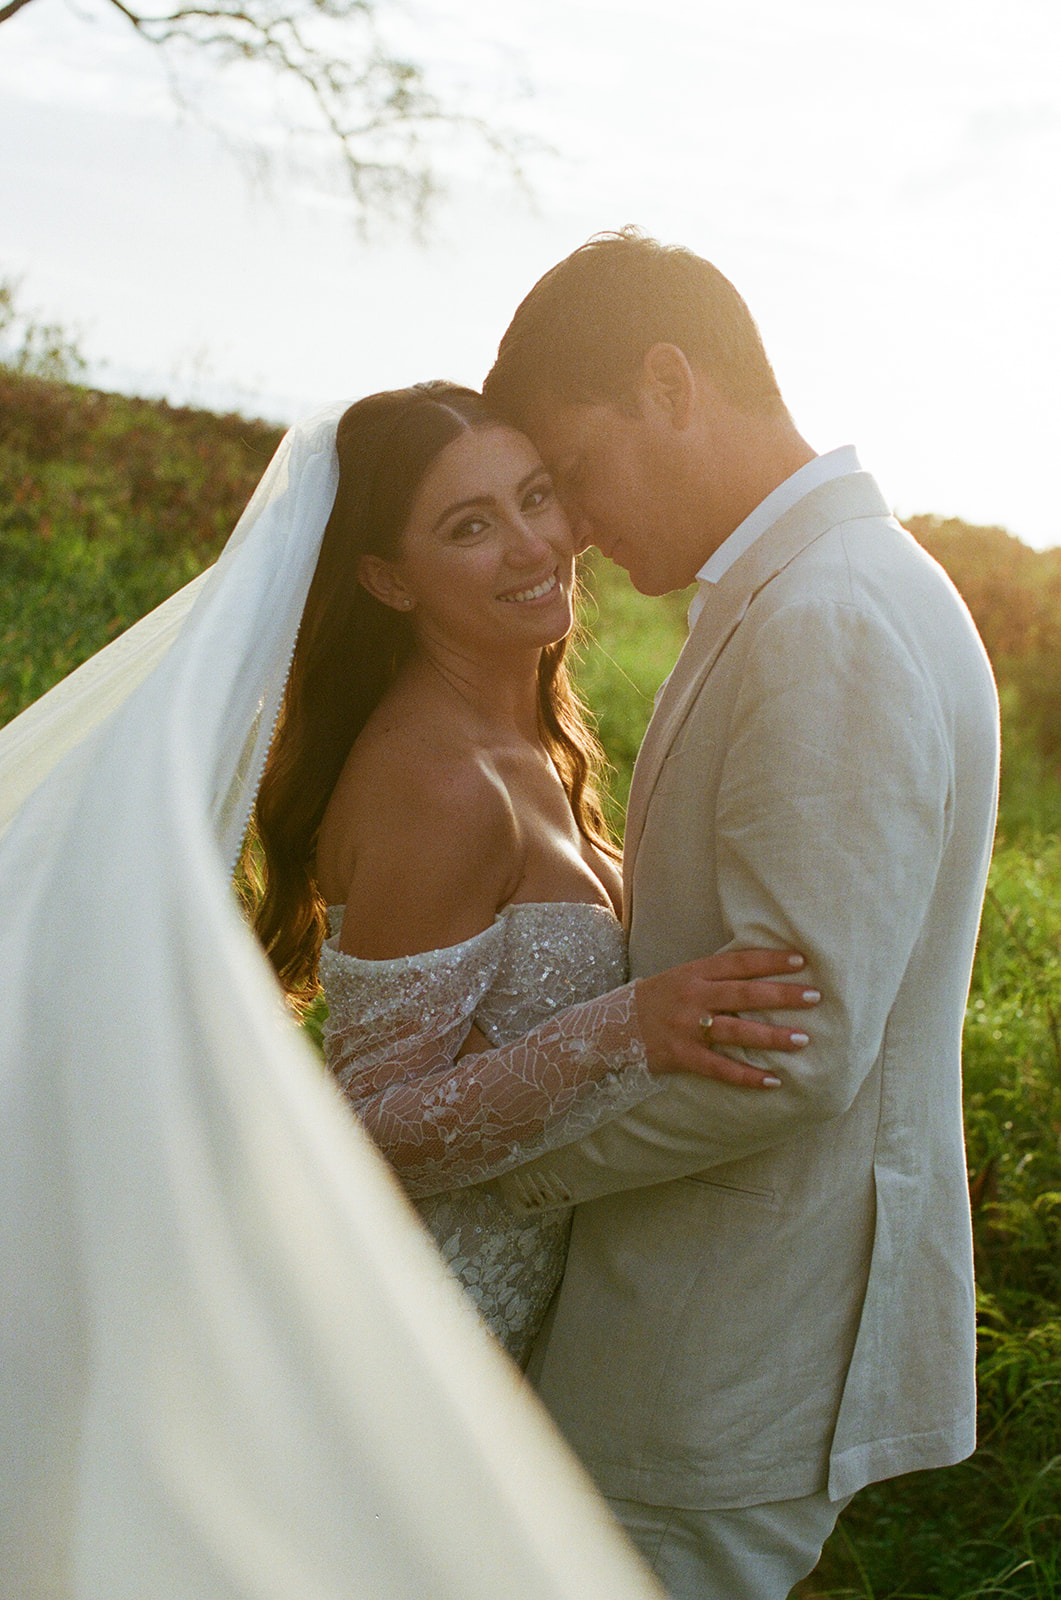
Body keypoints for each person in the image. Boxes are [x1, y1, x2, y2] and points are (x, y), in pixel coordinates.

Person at [480, 230, 1001, 1600]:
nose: (575, 527)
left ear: (669, 383)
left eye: (575, 472)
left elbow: (789, 1053)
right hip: (701, 1338)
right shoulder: (814, 589)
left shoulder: (827, 615)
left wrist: (496, 1166)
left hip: (713, 1359)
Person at [246, 383, 818, 1366]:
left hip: (512, 1337)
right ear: (389, 581)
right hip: (401, 1344)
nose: (530, 544)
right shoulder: (438, 784)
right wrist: (627, 1025)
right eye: (470, 525)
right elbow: (370, 1131)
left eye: (537, 495)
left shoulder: (535, 745)